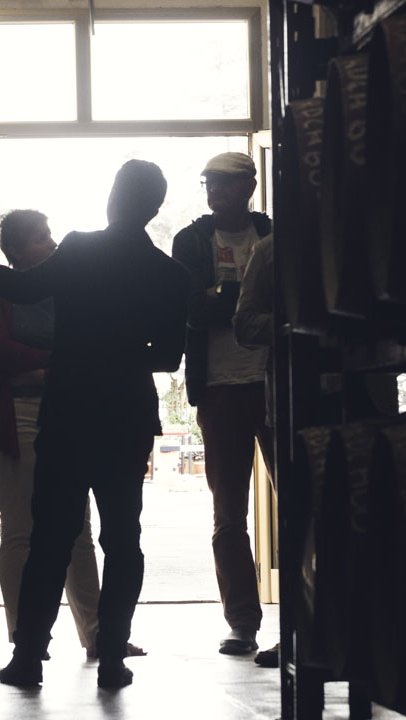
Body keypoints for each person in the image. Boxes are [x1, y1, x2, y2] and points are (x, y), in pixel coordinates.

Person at [0, 159, 189, 689]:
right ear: (154, 208)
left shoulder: (80, 247)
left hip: (67, 411)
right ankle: (111, 657)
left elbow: (16, 287)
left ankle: (27, 658)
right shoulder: (170, 274)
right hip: (126, 415)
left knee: (49, 536)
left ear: (113, 197)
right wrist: (125, 350)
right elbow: (168, 357)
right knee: (122, 537)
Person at [0, 209, 147, 661]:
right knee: (21, 529)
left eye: (50, 235)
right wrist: (56, 363)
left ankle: (96, 632)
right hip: (16, 412)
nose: (51, 244)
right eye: (40, 237)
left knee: (79, 530)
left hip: (64, 412)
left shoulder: (65, 284)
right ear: (14, 251)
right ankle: (25, 637)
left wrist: (48, 364)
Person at [171, 151, 274, 656]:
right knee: (227, 513)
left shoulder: (276, 234)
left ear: (250, 186)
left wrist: (222, 296)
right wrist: (247, 301)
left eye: (226, 184)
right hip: (218, 387)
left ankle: (304, 620)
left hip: (277, 382)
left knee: (298, 504)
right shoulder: (190, 239)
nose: (214, 191)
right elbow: (190, 309)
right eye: (208, 182)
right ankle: (243, 624)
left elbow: (291, 301)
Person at [231, 232, 281, 668]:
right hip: (289, 396)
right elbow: (243, 323)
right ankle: (248, 623)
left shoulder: (371, 229)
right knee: (302, 515)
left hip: (364, 395)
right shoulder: (273, 249)